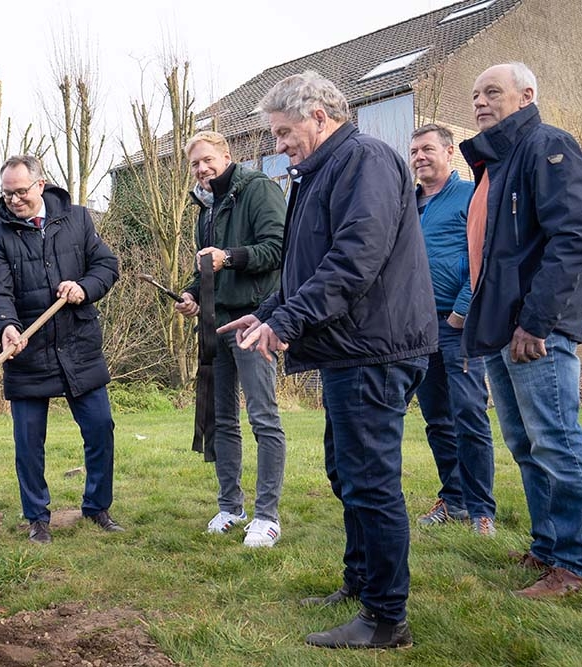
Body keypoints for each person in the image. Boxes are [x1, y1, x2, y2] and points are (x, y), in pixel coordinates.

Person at [220, 71, 436, 649]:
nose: (278, 145)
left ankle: (387, 619)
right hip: (351, 348)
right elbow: (305, 266)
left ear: (318, 114)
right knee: (348, 473)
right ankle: (361, 583)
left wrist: (284, 323)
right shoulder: (320, 172)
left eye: (284, 131)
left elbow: (354, 260)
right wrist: (266, 310)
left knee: (371, 482)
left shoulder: (363, 160)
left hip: (375, 347)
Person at [460, 62, 582, 598]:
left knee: (556, 443)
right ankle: (549, 549)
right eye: (475, 95)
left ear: (527, 94)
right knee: (524, 444)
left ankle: (575, 566)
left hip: (536, 331)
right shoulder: (496, 162)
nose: (480, 102)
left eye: (492, 92)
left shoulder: (547, 145)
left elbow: (571, 237)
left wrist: (536, 321)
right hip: (499, 331)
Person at [0, 155, 121, 545]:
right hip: (27, 351)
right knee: (28, 441)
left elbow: (107, 265)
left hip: (79, 346)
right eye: (7, 193)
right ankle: (37, 518)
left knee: (100, 429)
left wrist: (83, 287)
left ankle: (97, 507)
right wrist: (7, 325)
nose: (14, 200)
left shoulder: (77, 219)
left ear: (40, 185)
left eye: (21, 191)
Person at [175, 131, 287, 548]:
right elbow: (209, 266)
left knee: (263, 418)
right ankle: (231, 507)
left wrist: (229, 257)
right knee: (221, 420)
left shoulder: (258, 190)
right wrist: (190, 293)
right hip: (215, 323)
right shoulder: (204, 207)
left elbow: (278, 249)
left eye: (208, 160)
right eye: (194, 164)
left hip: (254, 321)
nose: (202, 169)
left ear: (227, 155)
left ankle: (267, 516)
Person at [409, 124, 497, 536]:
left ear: (448, 153)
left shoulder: (469, 197)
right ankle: (454, 497)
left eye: (427, 149)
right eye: (414, 151)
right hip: (418, 328)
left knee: (468, 413)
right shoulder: (406, 204)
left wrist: (461, 311)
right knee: (437, 418)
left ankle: (482, 509)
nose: (419, 156)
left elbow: (481, 254)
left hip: (457, 326)